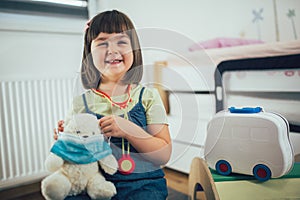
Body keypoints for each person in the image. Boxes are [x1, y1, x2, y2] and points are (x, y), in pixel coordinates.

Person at [54, 10, 172, 200]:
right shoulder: (80, 103)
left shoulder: (147, 96)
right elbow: (73, 155)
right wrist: (64, 140)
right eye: (102, 43)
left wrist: (129, 130)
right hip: (95, 182)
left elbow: (163, 154)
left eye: (122, 42)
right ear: (89, 53)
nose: (112, 49)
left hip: (143, 184)